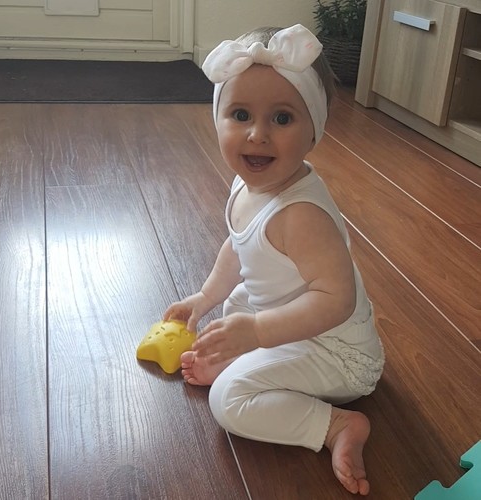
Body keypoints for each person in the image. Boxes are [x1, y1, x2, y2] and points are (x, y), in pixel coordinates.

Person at [163, 24, 385, 496]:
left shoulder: (301, 215)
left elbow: (336, 301)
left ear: (313, 132)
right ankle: (246, 355)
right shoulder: (249, 184)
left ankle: (336, 425)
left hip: (337, 354)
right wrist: (205, 297)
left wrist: (258, 333)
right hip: (291, 322)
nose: (257, 134)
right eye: (240, 114)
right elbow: (239, 246)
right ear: (218, 119)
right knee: (236, 303)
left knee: (228, 400)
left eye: (282, 119)